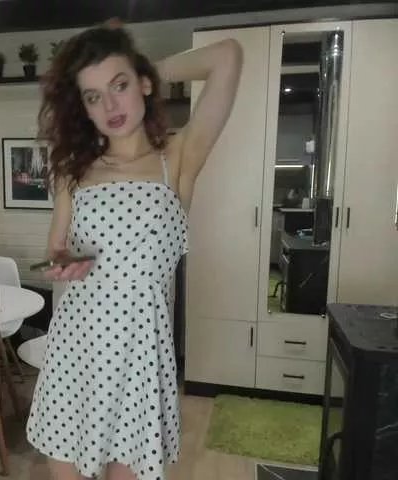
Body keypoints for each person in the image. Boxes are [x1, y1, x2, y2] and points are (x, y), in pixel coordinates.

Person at [26, 20, 243, 480]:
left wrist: (144, 69)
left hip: (139, 356)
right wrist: (64, 264)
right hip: (76, 350)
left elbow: (227, 56)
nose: (110, 106)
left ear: (144, 84)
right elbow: (56, 251)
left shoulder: (178, 159)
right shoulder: (73, 171)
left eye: (119, 86)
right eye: (93, 96)